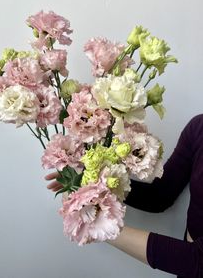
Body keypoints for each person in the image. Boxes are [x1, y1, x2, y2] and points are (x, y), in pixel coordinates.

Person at [45, 114, 203, 278]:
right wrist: (94, 179)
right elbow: (160, 196)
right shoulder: (199, 128)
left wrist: (102, 227)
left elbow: (198, 259)